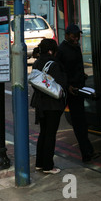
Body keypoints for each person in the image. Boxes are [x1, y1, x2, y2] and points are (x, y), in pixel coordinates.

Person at [56, 24, 101, 163]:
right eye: (74, 36)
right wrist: (68, 85)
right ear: (67, 35)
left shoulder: (74, 47)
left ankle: (87, 152)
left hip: (78, 89)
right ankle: (86, 153)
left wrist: (82, 76)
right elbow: (59, 72)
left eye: (78, 36)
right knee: (77, 123)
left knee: (80, 122)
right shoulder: (62, 50)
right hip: (70, 91)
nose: (76, 38)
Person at [30, 39, 67, 174]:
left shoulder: (37, 63)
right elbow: (61, 83)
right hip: (52, 104)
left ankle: (39, 163)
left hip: (40, 103)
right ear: (51, 51)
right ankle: (48, 166)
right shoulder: (54, 64)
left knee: (43, 133)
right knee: (50, 135)